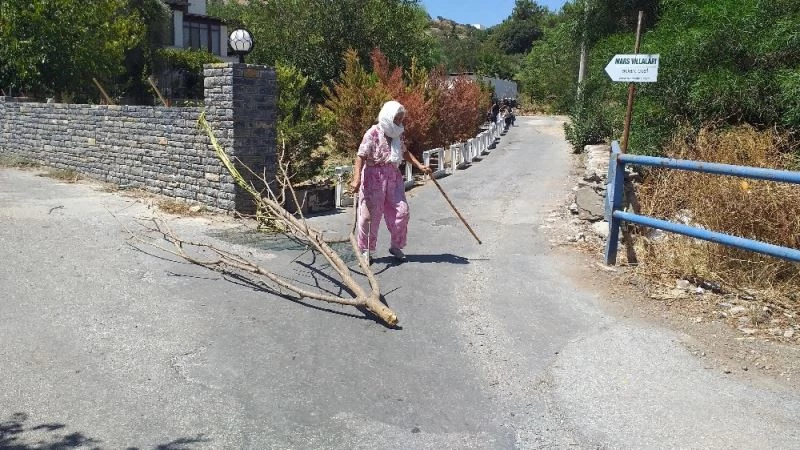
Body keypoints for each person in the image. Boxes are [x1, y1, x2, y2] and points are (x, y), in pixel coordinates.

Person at [349, 101, 432, 265]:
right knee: (369, 216)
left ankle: (396, 246)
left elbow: (404, 152)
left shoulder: (396, 134)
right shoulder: (372, 133)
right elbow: (360, 156)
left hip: (393, 177)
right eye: (397, 119)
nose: (400, 122)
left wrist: (420, 166)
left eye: (401, 119)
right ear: (388, 116)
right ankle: (366, 250)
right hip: (373, 177)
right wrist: (357, 178)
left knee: (402, 212)